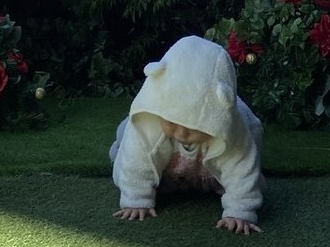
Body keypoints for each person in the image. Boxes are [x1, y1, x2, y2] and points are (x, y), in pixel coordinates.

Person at [110, 35, 264, 234]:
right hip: (167, 171)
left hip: (208, 172)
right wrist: (136, 199)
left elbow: (242, 166)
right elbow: (134, 160)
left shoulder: (232, 129)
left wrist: (240, 210)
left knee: (247, 146)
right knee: (129, 134)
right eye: (172, 123)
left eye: (194, 127)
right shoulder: (150, 121)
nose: (182, 133)